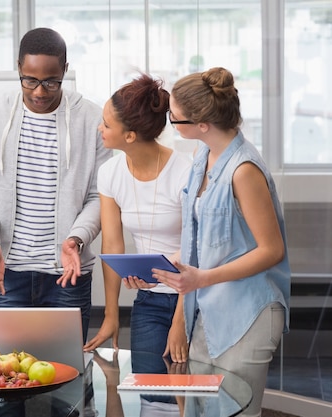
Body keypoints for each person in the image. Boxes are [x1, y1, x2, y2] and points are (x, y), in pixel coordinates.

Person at [152, 67, 291, 417]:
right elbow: (201, 242)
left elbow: (272, 250)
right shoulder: (202, 158)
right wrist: (160, 269)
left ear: (201, 124)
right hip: (207, 310)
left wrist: (201, 279)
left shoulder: (244, 170)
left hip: (247, 314)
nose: (171, 123)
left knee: (233, 411)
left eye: (175, 118)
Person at [0, 27, 111, 341]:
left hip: (66, 277)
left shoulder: (91, 120)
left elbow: (99, 196)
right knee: (0, 381)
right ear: (19, 69)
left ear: (66, 71)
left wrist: (76, 239)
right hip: (6, 274)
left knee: (64, 380)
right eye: (30, 80)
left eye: (51, 81)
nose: (40, 92)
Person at [85, 73, 191, 416]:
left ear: (129, 135)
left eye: (106, 124)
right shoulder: (110, 173)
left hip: (193, 301)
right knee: (150, 397)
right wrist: (112, 315)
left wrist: (180, 324)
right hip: (148, 300)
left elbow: (197, 250)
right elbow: (113, 244)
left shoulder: (186, 171)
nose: (100, 129)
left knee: (186, 398)